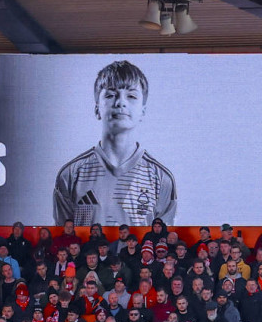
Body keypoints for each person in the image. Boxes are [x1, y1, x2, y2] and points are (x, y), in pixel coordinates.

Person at [53, 60, 176, 227]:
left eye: (131, 96)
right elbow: (63, 240)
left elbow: (163, 243)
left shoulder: (161, 178)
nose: (121, 103)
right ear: (97, 109)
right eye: (110, 95)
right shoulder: (71, 174)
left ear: (143, 111)